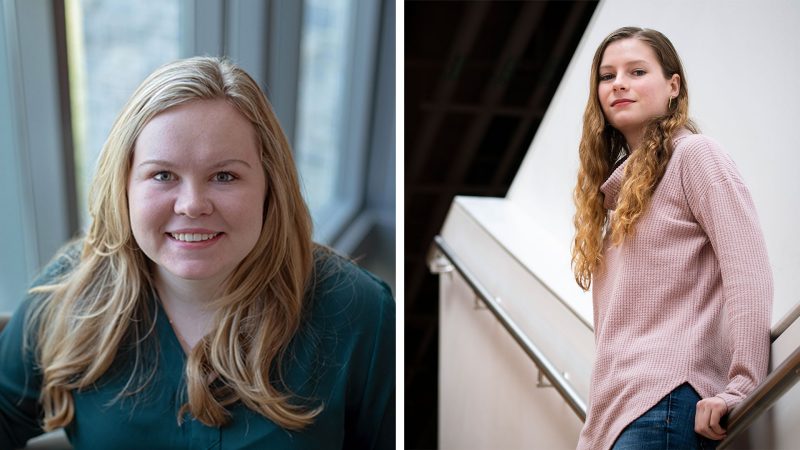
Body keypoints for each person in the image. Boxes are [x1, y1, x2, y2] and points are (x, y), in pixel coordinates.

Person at [0, 56, 395, 449]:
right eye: (162, 175)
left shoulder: (360, 311)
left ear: (270, 187)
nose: (192, 205)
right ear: (123, 186)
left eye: (224, 176)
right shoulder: (69, 291)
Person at [571, 27, 772, 450]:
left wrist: (742, 384)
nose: (619, 83)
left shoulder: (695, 157)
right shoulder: (618, 196)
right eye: (607, 76)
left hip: (664, 403)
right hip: (616, 415)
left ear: (673, 87)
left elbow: (748, 272)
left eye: (637, 70)